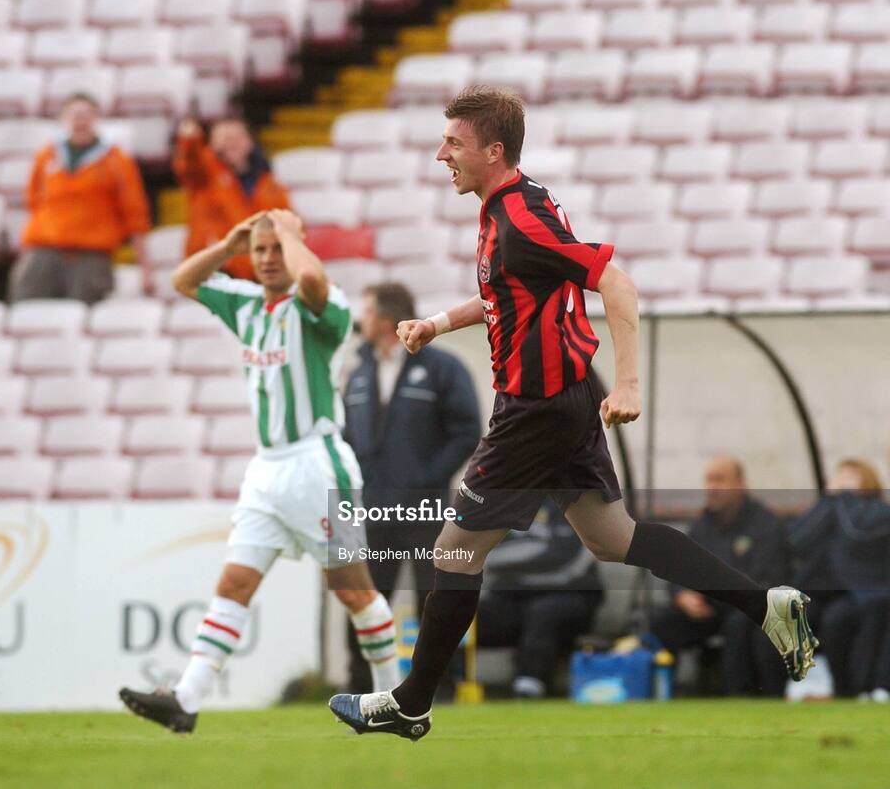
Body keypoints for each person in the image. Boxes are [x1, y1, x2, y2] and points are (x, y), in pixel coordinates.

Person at [328, 85, 818, 741]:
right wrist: (439, 322)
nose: (440, 153)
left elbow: (616, 282)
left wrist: (631, 383)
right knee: (612, 537)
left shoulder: (520, 219)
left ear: (493, 151)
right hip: (564, 396)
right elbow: (508, 291)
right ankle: (765, 603)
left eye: (453, 142)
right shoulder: (516, 202)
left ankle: (412, 700)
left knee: (453, 550)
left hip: (536, 408)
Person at [119, 209, 400, 733]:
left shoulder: (323, 305)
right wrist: (229, 245)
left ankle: (391, 701)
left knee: (354, 591)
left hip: (317, 464)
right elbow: (184, 279)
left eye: (277, 249)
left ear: (294, 246)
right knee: (234, 582)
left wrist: (290, 234)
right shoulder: (247, 305)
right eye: (261, 250)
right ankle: (186, 698)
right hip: (266, 470)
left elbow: (311, 278)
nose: (269, 259)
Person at [343, 282, 482, 693]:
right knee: (365, 600)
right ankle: (359, 690)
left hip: (426, 510)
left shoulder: (443, 368)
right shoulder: (357, 372)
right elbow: (347, 436)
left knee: (434, 602)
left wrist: (428, 478)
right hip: (372, 510)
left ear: (384, 319)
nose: (361, 320)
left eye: (366, 311)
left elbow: (466, 430)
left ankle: (438, 689)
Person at [650, 457, 789, 696]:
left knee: (738, 624)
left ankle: (736, 696)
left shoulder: (765, 523)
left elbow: (766, 577)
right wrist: (682, 595)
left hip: (746, 607)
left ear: (740, 484)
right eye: (709, 479)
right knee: (663, 621)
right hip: (707, 607)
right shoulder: (701, 525)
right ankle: (663, 694)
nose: (712, 486)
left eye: (720, 479)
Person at [9, 92, 150, 304]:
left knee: (85, 315)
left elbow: (135, 213)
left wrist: (145, 267)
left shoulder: (116, 161)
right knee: (26, 308)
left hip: (91, 253)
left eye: (86, 115)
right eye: (74, 115)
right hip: (45, 248)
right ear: (64, 119)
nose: (80, 120)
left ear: (96, 119)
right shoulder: (46, 156)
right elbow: (33, 202)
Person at [477, 503, 603, 699]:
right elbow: (484, 552)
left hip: (571, 596)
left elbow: (562, 554)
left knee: (543, 612)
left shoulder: (573, 500)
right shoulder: (504, 502)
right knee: (459, 614)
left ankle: (528, 687)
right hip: (513, 598)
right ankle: (441, 684)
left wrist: (515, 556)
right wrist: (536, 549)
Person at [790, 459, 890, 699]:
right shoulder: (830, 510)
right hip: (835, 595)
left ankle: (869, 687)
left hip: (872, 592)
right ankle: (842, 689)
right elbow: (797, 541)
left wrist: (842, 498)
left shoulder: (877, 513)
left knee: (855, 620)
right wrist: (829, 501)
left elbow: (858, 532)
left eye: (850, 478)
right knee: (830, 622)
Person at [173, 115, 291, 279]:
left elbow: (286, 222)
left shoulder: (268, 182)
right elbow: (189, 162)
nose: (231, 144)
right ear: (212, 144)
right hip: (216, 270)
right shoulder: (205, 176)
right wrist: (190, 139)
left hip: (260, 271)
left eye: (236, 137)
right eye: (224, 138)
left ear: (249, 141)